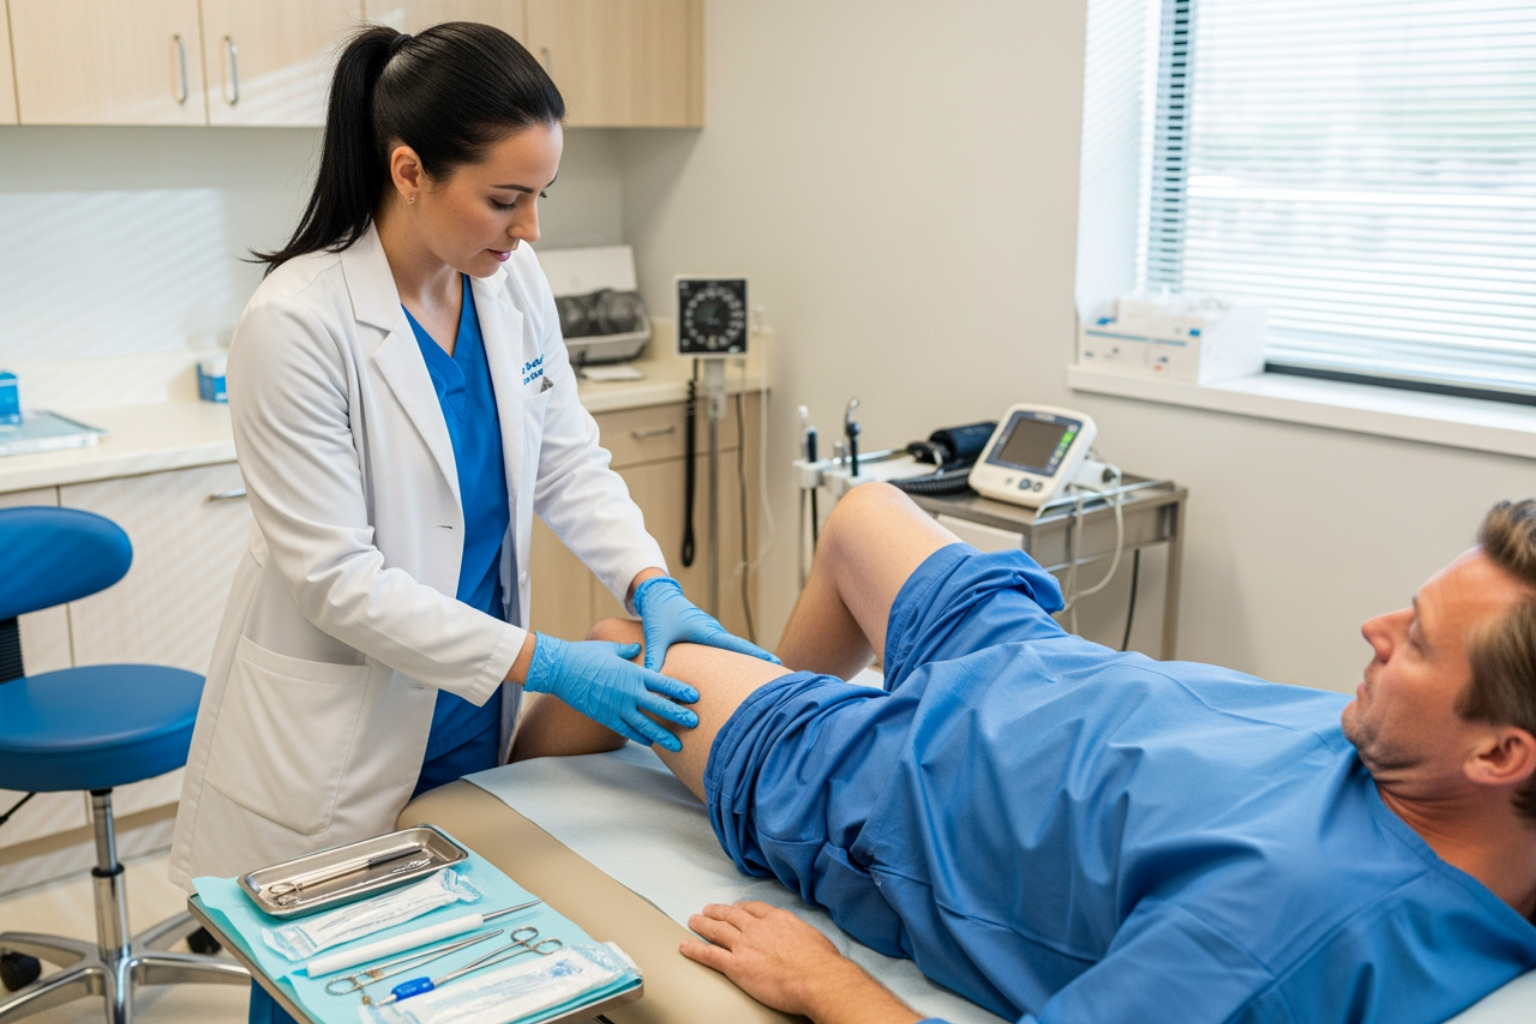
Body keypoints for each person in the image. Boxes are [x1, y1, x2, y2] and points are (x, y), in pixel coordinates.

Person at [165, 22, 770, 1023]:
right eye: (504, 197)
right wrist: (553, 663)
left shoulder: (506, 280)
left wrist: (649, 583)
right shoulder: (297, 323)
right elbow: (336, 580)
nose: (529, 227)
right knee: (331, 988)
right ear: (408, 170)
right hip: (345, 731)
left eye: (541, 196)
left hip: (468, 707)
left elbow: (568, 457)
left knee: (446, 981)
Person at [541, 484, 1536, 1024]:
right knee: (860, 514)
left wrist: (828, 985)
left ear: (1501, 753)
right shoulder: (1428, 765)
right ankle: (750, 720)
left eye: (1414, 641)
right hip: (1030, 662)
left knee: (624, 658)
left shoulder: (1282, 927)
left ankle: (761, 742)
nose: (1373, 628)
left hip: (898, 774)